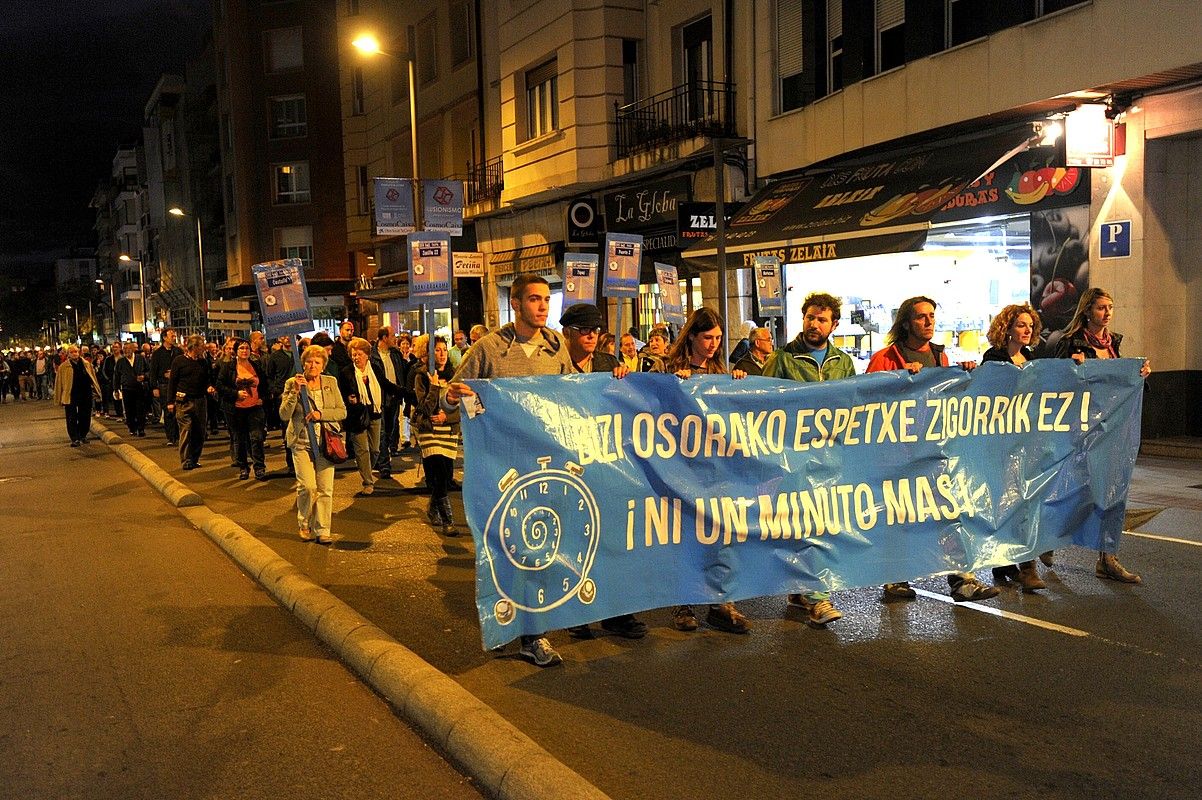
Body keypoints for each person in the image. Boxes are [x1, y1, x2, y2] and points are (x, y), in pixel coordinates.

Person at [442, 274, 578, 667]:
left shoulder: (558, 351)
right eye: (533, 299)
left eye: (546, 300)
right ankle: (513, 623)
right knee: (507, 550)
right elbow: (451, 395)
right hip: (502, 469)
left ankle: (534, 633)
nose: (542, 307)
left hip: (549, 467)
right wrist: (452, 396)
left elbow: (576, 399)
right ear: (515, 304)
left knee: (544, 547)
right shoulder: (489, 349)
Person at [867, 296, 1000, 603]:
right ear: (906, 323)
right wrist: (900, 380)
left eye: (931, 316)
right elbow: (870, 398)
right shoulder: (887, 357)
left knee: (950, 511)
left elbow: (951, 398)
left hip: (936, 449)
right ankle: (895, 580)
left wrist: (966, 373)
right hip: (899, 452)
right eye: (921, 317)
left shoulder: (941, 358)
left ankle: (962, 579)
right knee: (899, 514)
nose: (928, 322)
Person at [762, 292, 858, 626]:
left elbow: (855, 404)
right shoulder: (783, 359)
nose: (813, 324)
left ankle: (803, 589)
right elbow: (761, 402)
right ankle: (819, 598)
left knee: (821, 527)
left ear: (833, 324)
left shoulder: (843, 363)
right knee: (806, 525)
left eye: (821, 319)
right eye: (809, 317)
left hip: (829, 462)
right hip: (793, 461)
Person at [556, 303, 650, 640]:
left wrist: (628, 380)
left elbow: (632, 404)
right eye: (585, 331)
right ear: (568, 333)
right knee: (575, 536)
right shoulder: (555, 366)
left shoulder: (609, 364)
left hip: (607, 463)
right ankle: (577, 610)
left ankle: (617, 611)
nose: (592, 336)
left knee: (614, 537)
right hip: (569, 462)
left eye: (596, 330)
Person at [662, 306, 753, 635]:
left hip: (714, 468)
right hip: (680, 466)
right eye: (707, 338)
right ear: (693, 337)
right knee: (685, 535)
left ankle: (720, 602)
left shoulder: (719, 370)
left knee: (719, 535)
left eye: (717, 338)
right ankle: (683, 603)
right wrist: (675, 384)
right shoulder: (671, 369)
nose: (714, 344)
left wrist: (736, 381)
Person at [1053, 287, 1150, 584]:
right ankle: (1049, 540)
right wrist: (1074, 369)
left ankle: (1108, 558)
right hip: (1080, 431)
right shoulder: (1071, 343)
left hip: (1112, 431)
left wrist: (1140, 375)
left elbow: (1121, 387)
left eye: (1110, 307)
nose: (1107, 313)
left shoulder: (1113, 344)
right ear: (1087, 311)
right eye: (1100, 308)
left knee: (1112, 490)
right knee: (1073, 490)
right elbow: (1056, 383)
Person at [981, 303, 1047, 592]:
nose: (1027, 330)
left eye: (1030, 325)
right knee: (1005, 503)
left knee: (1028, 502)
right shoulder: (993, 359)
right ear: (1006, 328)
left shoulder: (1031, 357)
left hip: (1028, 441)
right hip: (1001, 443)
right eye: (1021, 324)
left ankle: (1028, 566)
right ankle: (1004, 561)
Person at [280, 345, 347, 544]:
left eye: (317, 362)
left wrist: (321, 415)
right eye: (308, 361)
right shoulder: (293, 382)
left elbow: (341, 411)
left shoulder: (330, 382)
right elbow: (284, 415)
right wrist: (294, 393)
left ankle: (323, 529)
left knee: (326, 489)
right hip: (301, 442)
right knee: (308, 486)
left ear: (323, 366)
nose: (312, 365)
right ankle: (304, 523)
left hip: (326, 442)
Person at [410, 334, 460, 535]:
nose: (442, 355)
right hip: (429, 430)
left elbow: (462, 406)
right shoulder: (421, 376)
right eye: (437, 350)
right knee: (438, 473)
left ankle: (432, 508)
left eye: (444, 350)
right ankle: (449, 520)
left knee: (446, 475)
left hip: (448, 430)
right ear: (429, 354)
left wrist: (446, 418)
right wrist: (435, 387)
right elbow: (423, 407)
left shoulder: (455, 374)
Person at [218, 338, 269, 480]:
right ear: (236, 351)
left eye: (246, 348)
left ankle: (259, 467)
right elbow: (220, 386)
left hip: (254, 408)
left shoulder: (256, 365)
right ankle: (243, 467)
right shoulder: (228, 367)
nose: (244, 351)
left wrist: (262, 398)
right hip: (236, 409)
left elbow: (264, 383)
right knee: (240, 439)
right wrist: (236, 394)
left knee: (257, 437)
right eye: (241, 348)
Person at [340, 337, 385, 495]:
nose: (356, 357)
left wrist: (407, 394)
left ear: (367, 355)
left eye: (359, 354)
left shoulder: (376, 369)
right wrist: (349, 398)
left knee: (375, 450)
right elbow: (342, 392)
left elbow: (385, 385)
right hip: (356, 416)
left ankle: (366, 468)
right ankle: (368, 481)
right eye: (353, 354)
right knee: (362, 450)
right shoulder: (346, 372)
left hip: (374, 413)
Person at [167, 334, 218, 471]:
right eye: (202, 346)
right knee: (186, 429)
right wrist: (170, 402)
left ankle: (195, 458)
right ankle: (186, 460)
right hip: (184, 401)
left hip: (200, 400)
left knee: (200, 431)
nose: (204, 349)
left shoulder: (203, 362)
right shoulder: (179, 361)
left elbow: (207, 379)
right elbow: (173, 382)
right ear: (194, 347)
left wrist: (209, 387)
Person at [371, 326, 406, 477]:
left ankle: (380, 458)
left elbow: (402, 372)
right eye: (392, 336)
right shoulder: (373, 356)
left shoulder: (395, 354)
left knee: (391, 429)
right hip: (380, 397)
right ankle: (385, 464)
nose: (395, 338)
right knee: (382, 431)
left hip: (394, 397)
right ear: (384, 338)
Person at [54, 344, 102, 446]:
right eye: (71, 352)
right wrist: (59, 398)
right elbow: (59, 384)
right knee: (71, 417)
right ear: (68, 354)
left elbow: (93, 378)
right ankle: (74, 438)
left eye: (76, 351)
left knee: (85, 416)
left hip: (85, 393)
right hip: (71, 395)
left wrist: (97, 392)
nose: (74, 354)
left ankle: (82, 435)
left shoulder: (86, 364)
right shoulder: (63, 367)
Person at [150, 328, 182, 445]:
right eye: (171, 336)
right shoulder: (157, 354)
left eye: (174, 336)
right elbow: (153, 371)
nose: (174, 338)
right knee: (168, 411)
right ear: (164, 338)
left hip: (178, 385)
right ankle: (171, 437)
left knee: (179, 410)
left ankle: (179, 436)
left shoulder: (178, 351)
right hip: (164, 386)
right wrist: (154, 387)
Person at [113, 341, 150, 437]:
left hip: (139, 388)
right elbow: (116, 376)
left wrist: (144, 376)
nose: (126, 351)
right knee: (129, 410)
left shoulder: (141, 359)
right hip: (127, 388)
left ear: (133, 349)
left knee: (140, 409)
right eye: (124, 349)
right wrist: (116, 389)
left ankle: (141, 428)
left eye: (128, 348)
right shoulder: (121, 362)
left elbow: (148, 371)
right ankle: (132, 428)